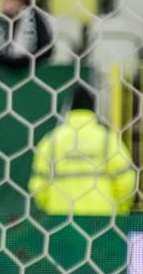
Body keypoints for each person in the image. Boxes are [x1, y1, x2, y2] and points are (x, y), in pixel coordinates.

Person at [29, 86, 136, 216]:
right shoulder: (108, 140)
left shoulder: (51, 141)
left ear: (69, 110)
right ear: (94, 110)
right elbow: (126, 180)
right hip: (102, 219)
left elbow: (38, 185)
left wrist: (50, 208)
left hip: (61, 218)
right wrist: (120, 210)